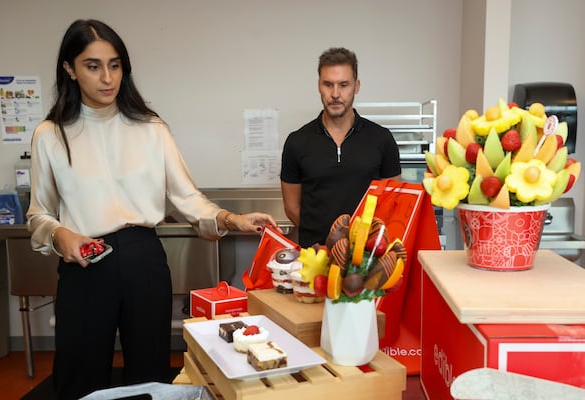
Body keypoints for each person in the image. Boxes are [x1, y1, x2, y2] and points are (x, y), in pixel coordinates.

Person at [26, 19, 281, 400]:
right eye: (93, 66)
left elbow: (188, 198)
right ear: (69, 68)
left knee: (150, 372)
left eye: (115, 65)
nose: (107, 77)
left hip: (142, 258)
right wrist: (58, 233)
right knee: (80, 372)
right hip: (84, 266)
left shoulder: (151, 127)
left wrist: (231, 218)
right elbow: (38, 213)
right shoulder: (50, 134)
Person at [280, 47, 401, 248]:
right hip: (315, 257)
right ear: (319, 85)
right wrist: (323, 237)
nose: (335, 94)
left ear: (356, 86)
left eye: (343, 85)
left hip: (366, 258)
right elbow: (292, 207)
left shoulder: (382, 139)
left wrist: (361, 241)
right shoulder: (297, 141)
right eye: (328, 84)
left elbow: (392, 203)